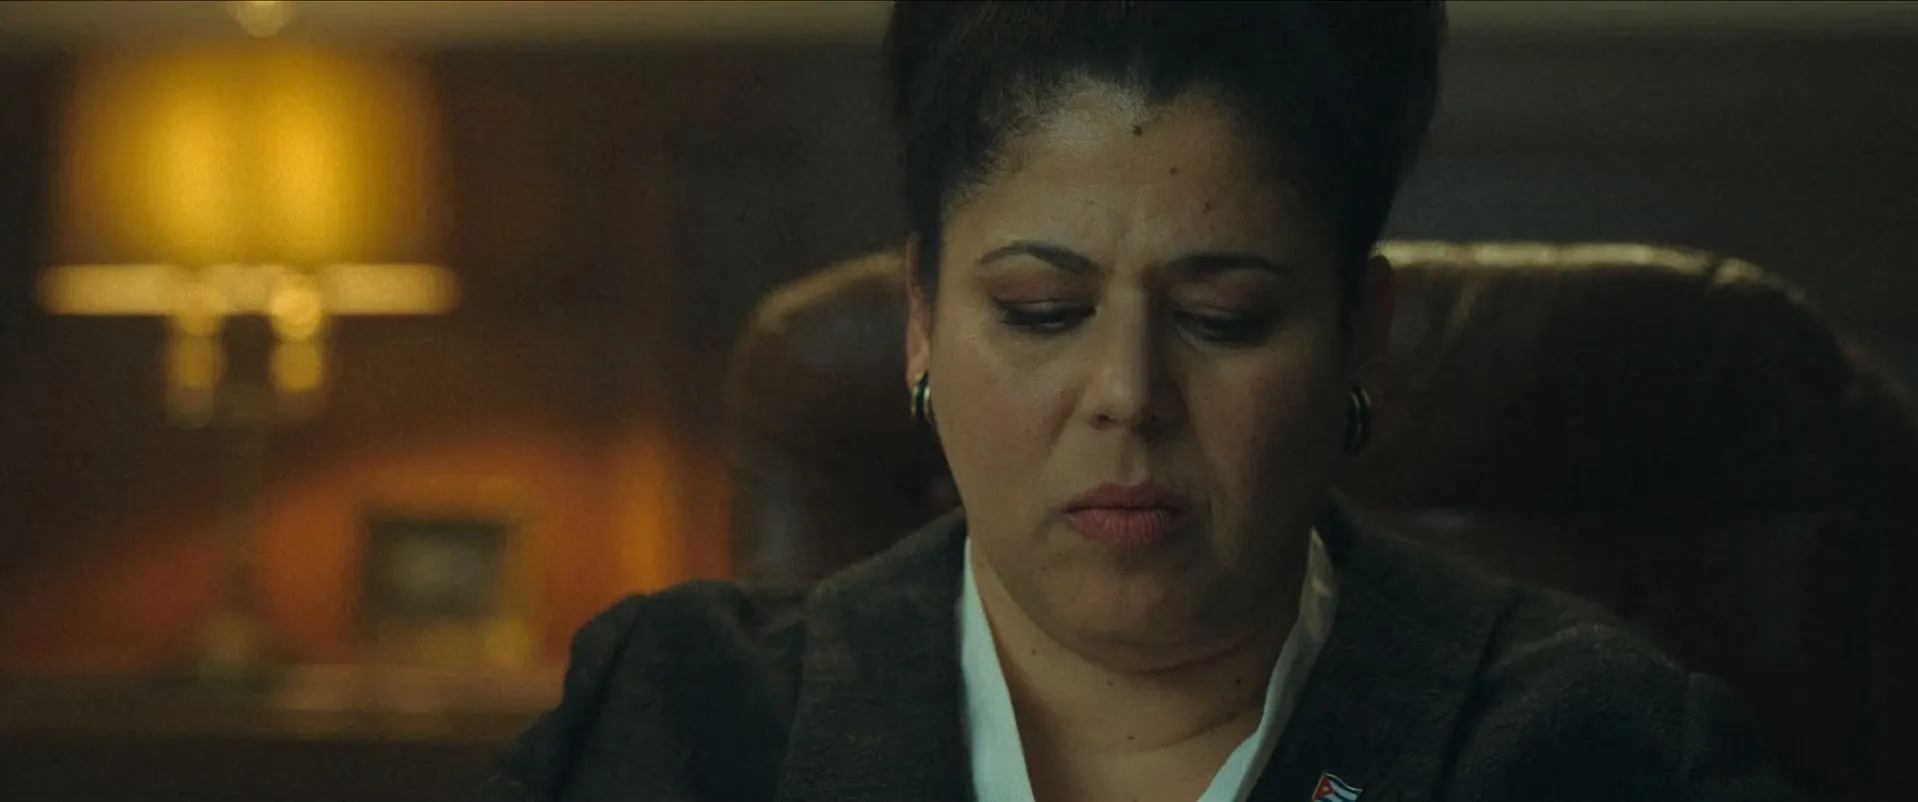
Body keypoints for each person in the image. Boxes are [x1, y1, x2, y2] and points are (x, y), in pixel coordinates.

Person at [484, 3, 1802, 800]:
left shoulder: (1597, 745)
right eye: (1040, 311)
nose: (1125, 396)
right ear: (920, 316)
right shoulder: (673, 722)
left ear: (1362, 336)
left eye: (1222, 318)